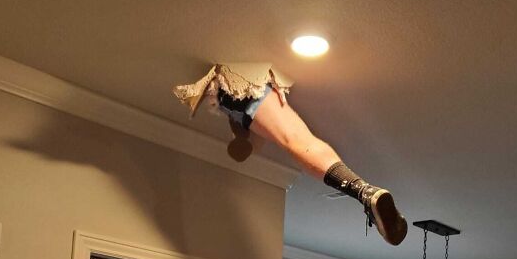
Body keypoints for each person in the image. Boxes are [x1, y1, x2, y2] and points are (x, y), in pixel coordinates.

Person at [174, 63, 407, 246]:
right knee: (296, 141)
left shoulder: (241, 111)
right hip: (238, 94)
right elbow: (252, 143)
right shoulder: (243, 109)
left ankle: (364, 192)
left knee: (294, 141)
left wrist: (242, 142)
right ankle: (364, 192)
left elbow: (250, 143)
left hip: (236, 96)